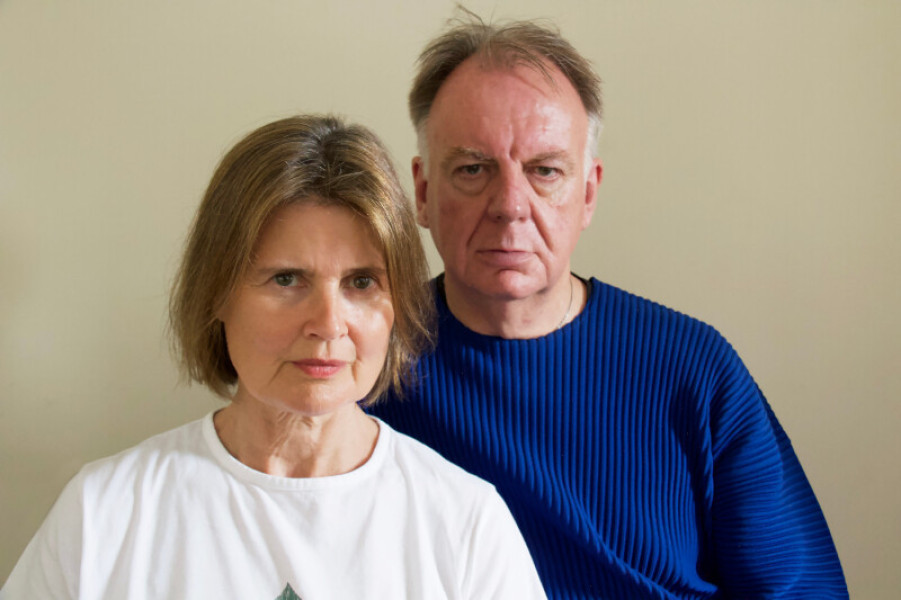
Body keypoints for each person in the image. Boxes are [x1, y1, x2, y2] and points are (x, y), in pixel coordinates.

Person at [369, 13, 850, 599]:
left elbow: (803, 590)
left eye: (545, 171)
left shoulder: (693, 368)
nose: (511, 206)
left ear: (589, 192)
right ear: (422, 191)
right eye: (473, 170)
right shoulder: (367, 363)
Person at [1, 115, 546, 599]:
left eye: (361, 282)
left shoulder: (465, 523)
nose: (329, 324)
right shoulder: (103, 516)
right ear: (216, 291)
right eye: (287, 279)